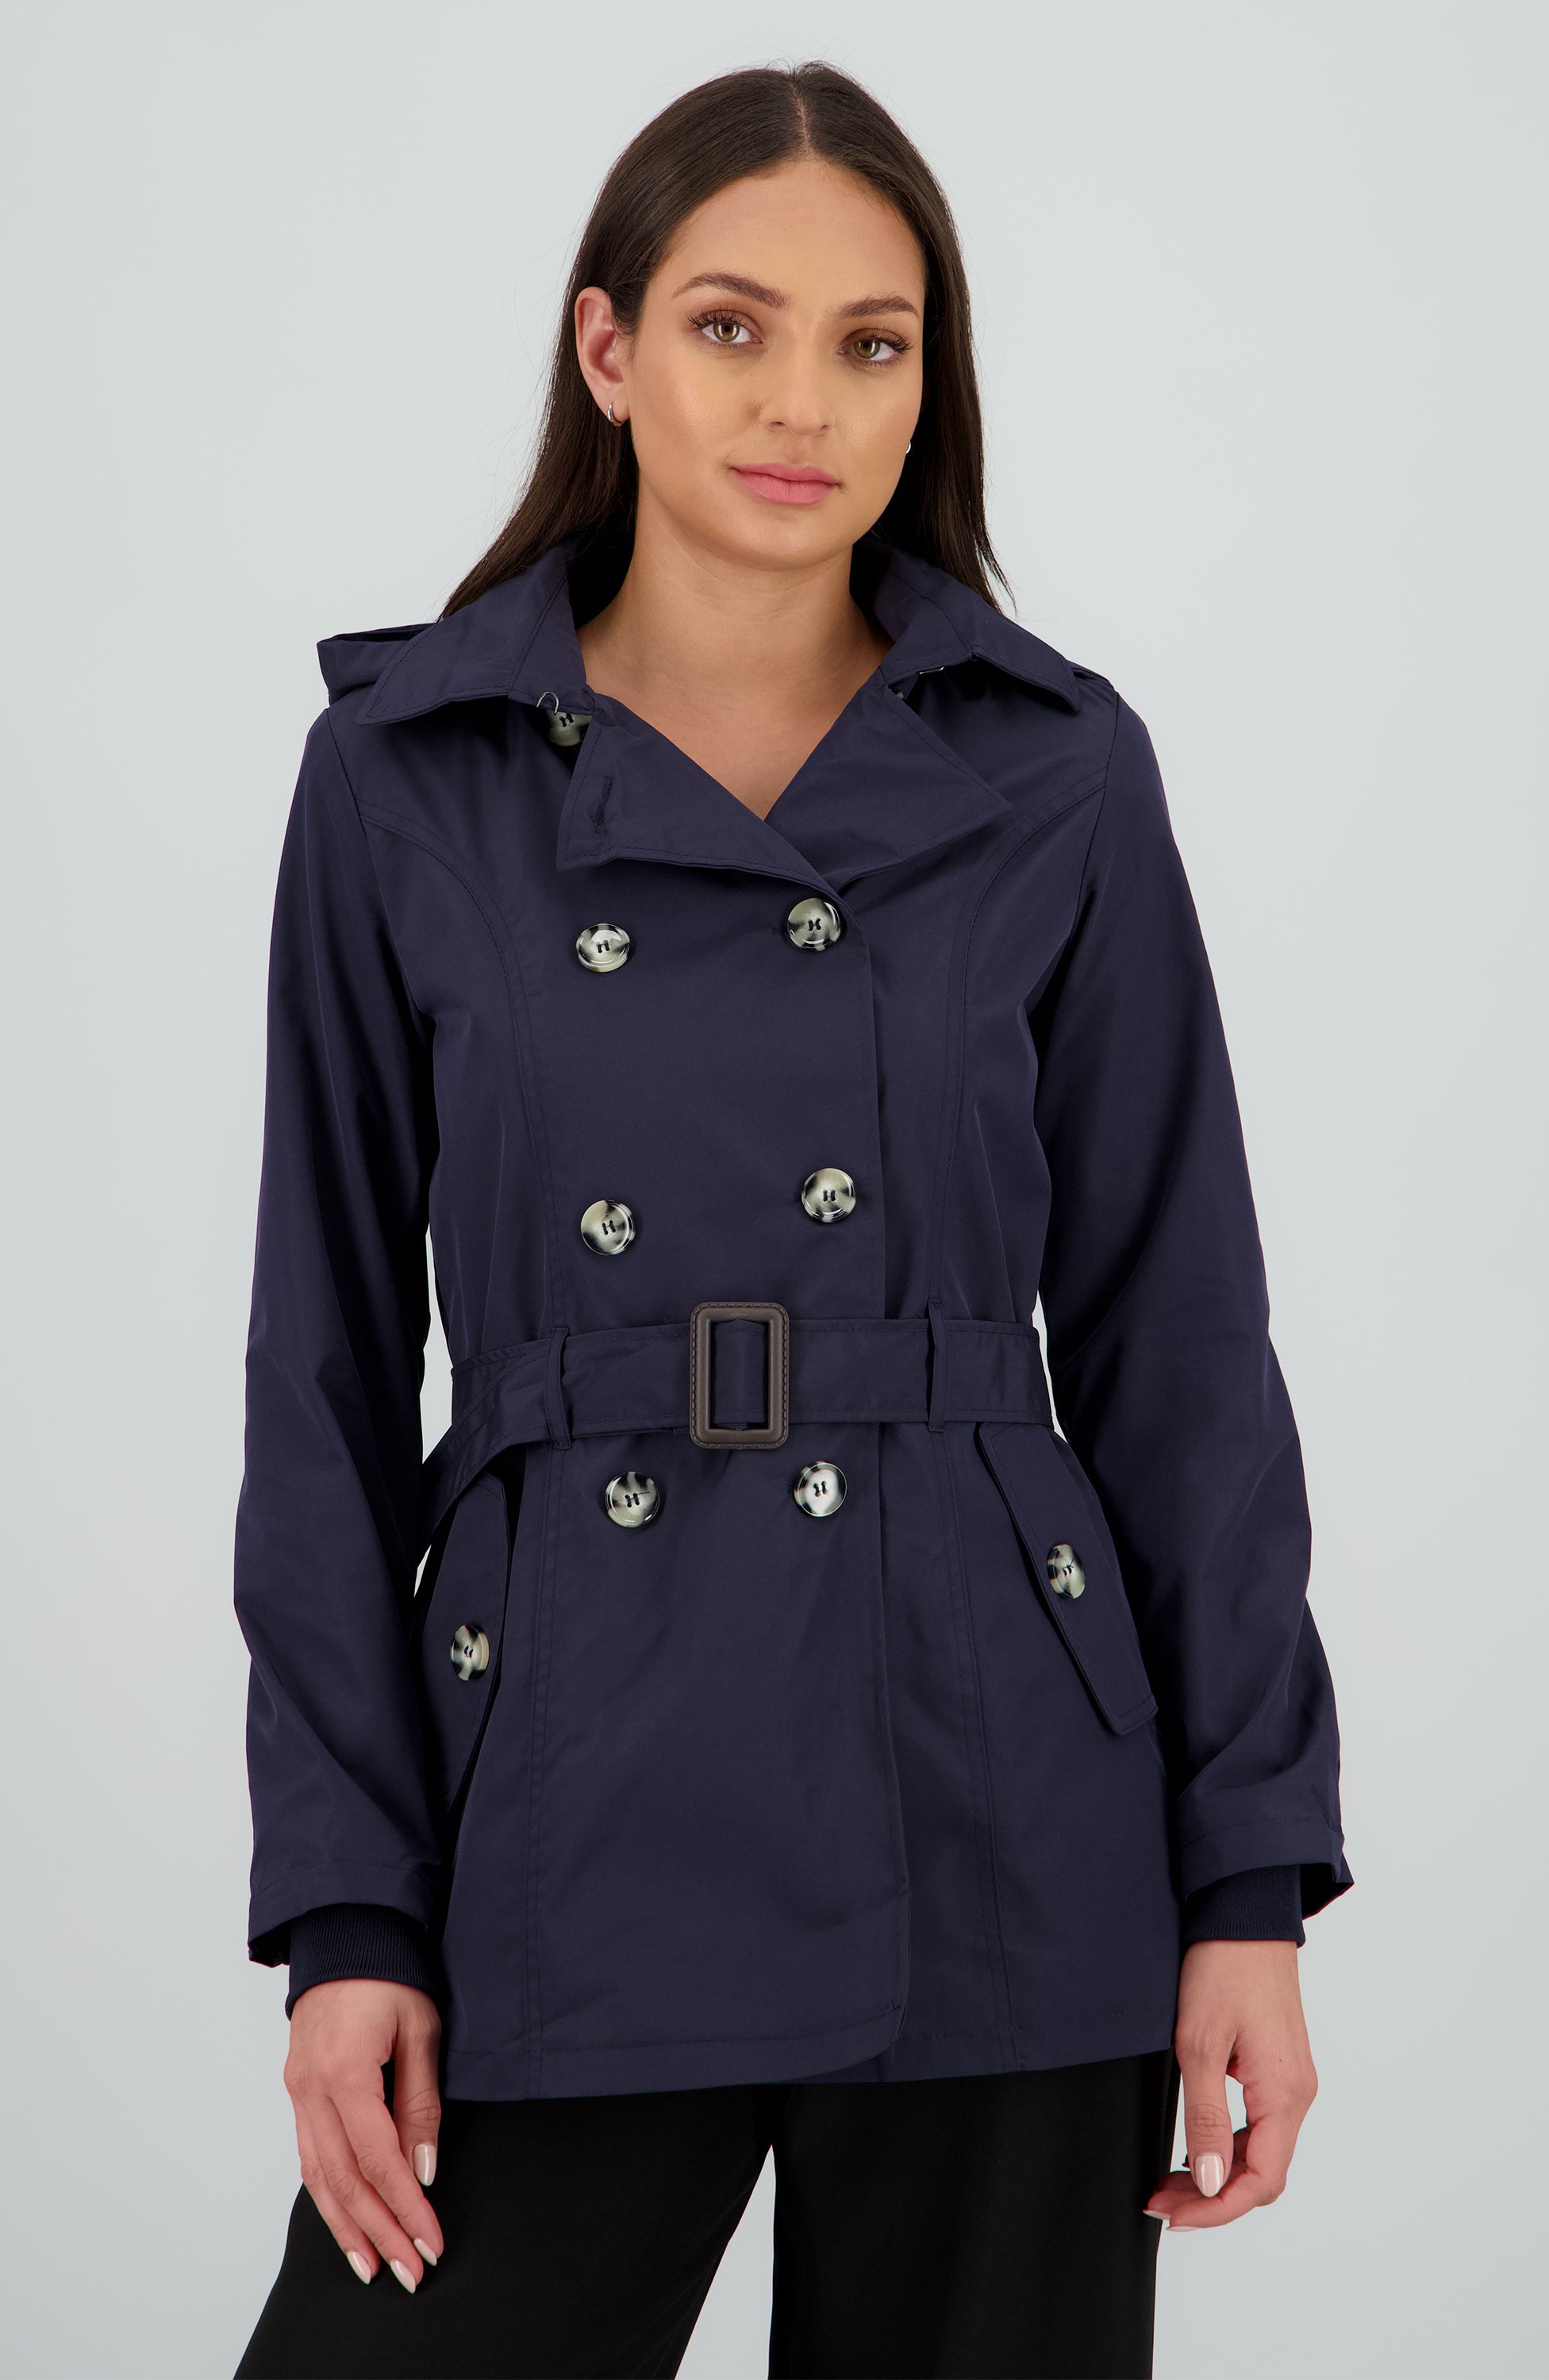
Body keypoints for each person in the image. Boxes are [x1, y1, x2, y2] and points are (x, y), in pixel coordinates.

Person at [232, 60, 1349, 2380]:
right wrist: (350, 1907)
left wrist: (1246, 1876)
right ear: (608, 348)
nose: (801, 403)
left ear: (929, 385)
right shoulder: (404, 781)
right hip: (560, 1789)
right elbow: (318, 1374)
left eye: (873, 342)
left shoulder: (1057, 768)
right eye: (732, 326)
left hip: (994, 1792)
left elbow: (1180, 1340)